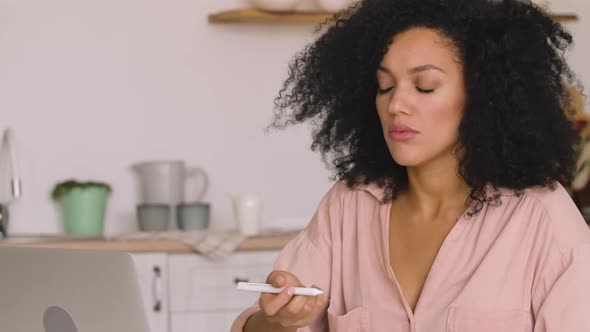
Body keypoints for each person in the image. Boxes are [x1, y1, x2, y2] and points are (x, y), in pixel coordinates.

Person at [231, 0, 590, 331]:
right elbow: (260, 323)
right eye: (384, 86)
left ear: (484, 96)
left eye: (425, 86)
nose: (395, 104)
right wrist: (280, 320)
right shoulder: (350, 204)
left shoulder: (542, 218)